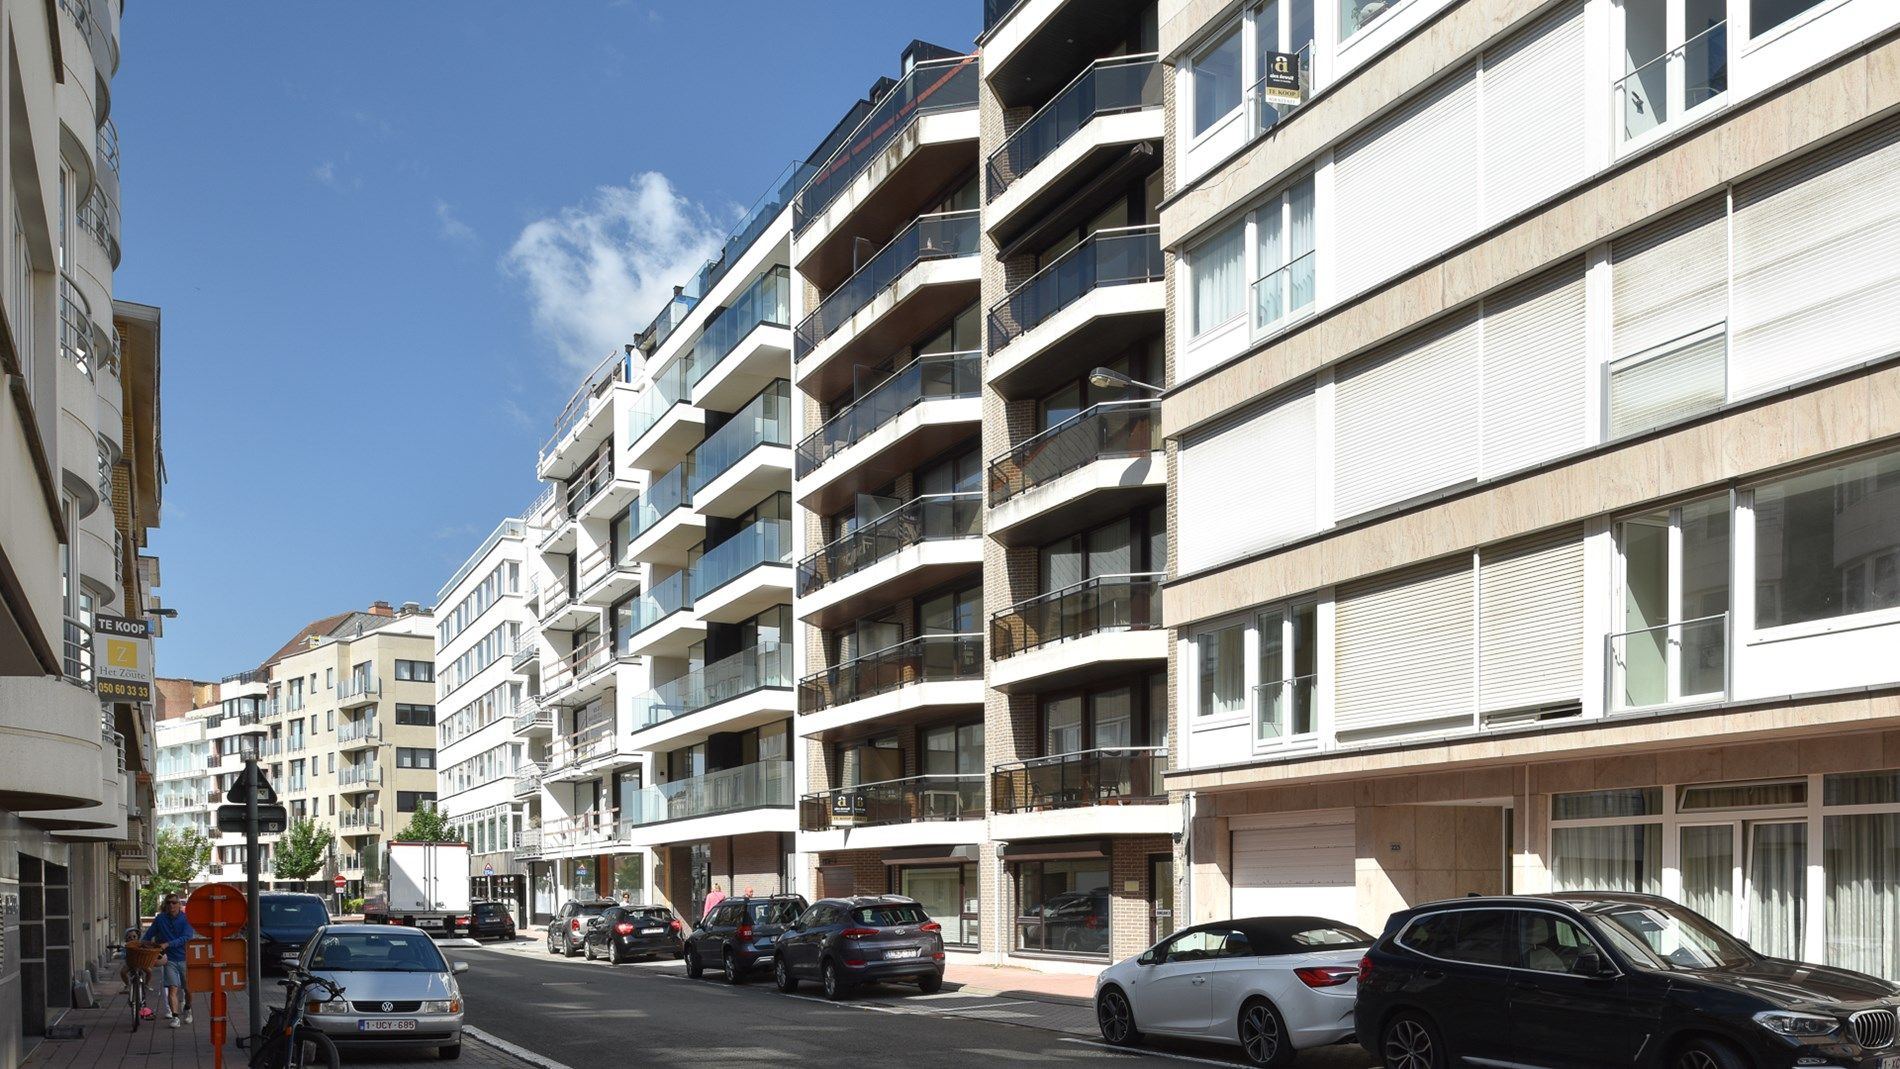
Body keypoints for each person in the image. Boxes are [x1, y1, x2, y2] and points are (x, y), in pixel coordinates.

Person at [143, 894, 197, 1028]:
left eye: (174, 903)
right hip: (169, 960)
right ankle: (175, 1017)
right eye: (168, 903)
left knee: (188, 989)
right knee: (172, 989)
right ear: (165, 905)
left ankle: (188, 1009)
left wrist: (168, 944)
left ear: (179, 904)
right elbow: (149, 934)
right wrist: (141, 944)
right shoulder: (160, 919)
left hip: (185, 958)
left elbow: (186, 937)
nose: (171, 905)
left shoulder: (186, 919)